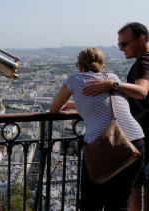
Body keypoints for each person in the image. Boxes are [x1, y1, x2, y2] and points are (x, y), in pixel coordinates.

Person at [49, 47, 145, 211]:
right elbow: (105, 105)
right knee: (119, 202)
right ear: (101, 65)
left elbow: (54, 109)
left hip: (104, 145)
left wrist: (71, 104)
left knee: (91, 201)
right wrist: (77, 104)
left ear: (79, 65)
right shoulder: (112, 77)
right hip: (135, 142)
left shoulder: (74, 79)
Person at [82, 22, 149, 211]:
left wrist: (112, 85)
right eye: (119, 45)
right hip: (140, 135)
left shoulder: (144, 62)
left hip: (139, 134)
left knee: (135, 189)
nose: (121, 49)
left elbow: (143, 91)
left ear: (141, 39)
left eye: (124, 44)